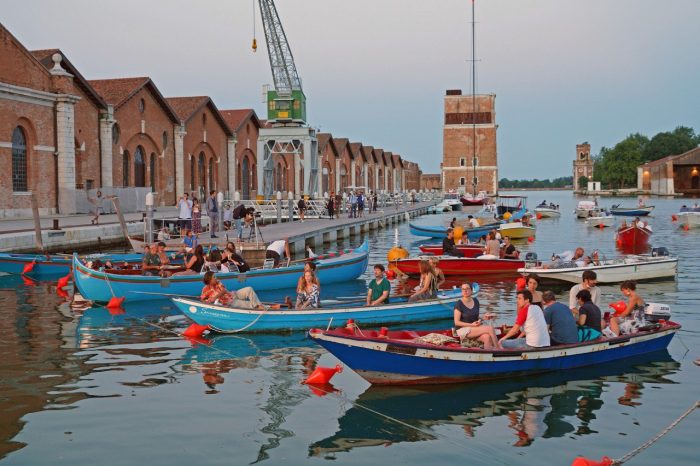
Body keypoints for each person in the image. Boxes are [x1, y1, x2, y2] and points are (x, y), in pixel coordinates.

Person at [453, 282, 501, 349]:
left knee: (487, 336)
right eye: (463, 289)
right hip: (463, 330)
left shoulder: (475, 301)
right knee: (490, 328)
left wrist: (484, 318)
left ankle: (487, 355)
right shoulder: (459, 304)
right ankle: (498, 349)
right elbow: (457, 322)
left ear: (471, 290)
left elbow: (476, 317)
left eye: (467, 288)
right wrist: (472, 325)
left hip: (474, 328)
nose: (465, 291)